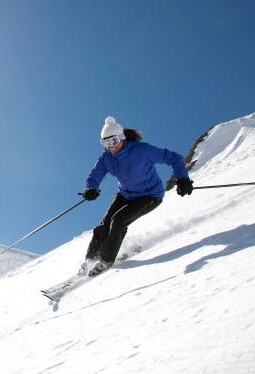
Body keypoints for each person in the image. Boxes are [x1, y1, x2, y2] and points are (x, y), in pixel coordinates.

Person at [80, 116, 193, 276]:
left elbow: (175, 158)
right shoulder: (106, 158)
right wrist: (91, 188)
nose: (110, 147)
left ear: (121, 138)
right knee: (104, 225)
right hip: (126, 194)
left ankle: (105, 261)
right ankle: (89, 261)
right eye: (105, 144)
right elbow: (95, 174)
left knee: (118, 221)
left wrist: (182, 179)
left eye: (112, 142)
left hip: (150, 195)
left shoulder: (142, 150)